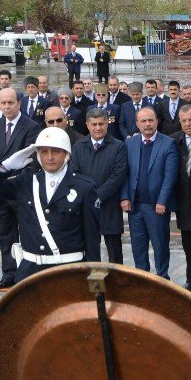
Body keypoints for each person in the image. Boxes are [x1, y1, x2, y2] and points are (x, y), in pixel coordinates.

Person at [0, 128, 101, 281]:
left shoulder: (84, 186)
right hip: (31, 272)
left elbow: (92, 237)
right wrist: (6, 166)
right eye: (43, 151)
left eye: (56, 151)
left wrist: (94, 275)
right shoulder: (26, 181)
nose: (49, 157)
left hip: (70, 271)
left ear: (67, 154)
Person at [0, 86, 41, 287]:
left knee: (26, 233)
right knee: (5, 233)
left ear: (19, 103)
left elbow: (29, 159)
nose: (7, 107)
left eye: (11, 103)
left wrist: (9, 179)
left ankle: (25, 273)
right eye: (3, 102)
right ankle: (9, 272)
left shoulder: (31, 127)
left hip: (20, 190)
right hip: (0, 191)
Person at [120, 105, 178, 279]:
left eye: (150, 120)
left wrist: (162, 201)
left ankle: (162, 278)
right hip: (135, 206)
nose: (147, 124)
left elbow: (170, 176)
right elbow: (124, 173)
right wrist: (124, 197)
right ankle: (141, 280)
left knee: (160, 246)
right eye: (143, 121)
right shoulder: (130, 143)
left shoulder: (168, 143)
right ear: (137, 124)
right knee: (138, 246)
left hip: (156, 207)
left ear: (157, 121)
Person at [69, 107, 129, 264]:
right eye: (94, 124)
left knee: (114, 249)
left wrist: (98, 196)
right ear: (87, 125)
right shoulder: (79, 146)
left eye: (101, 124)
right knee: (88, 247)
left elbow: (118, 176)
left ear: (107, 124)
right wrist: (87, 197)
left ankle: (117, 282)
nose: (98, 128)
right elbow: (73, 173)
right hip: (85, 206)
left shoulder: (118, 146)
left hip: (109, 204)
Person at [171, 105, 191, 292]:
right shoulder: (174, 141)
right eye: (184, 121)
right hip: (184, 202)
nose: (188, 124)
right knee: (189, 245)